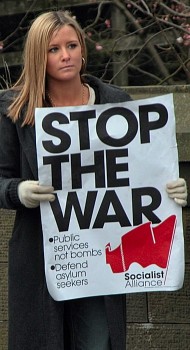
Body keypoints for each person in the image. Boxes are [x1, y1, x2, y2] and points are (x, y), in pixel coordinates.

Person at [0, 10, 187, 350]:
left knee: (98, 342)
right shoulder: (15, 110)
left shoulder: (116, 104)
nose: (66, 55)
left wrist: (169, 190)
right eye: (54, 49)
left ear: (83, 49)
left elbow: (139, 172)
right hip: (42, 257)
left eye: (71, 45)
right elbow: (1, 178)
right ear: (37, 55)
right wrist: (19, 191)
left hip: (100, 259)